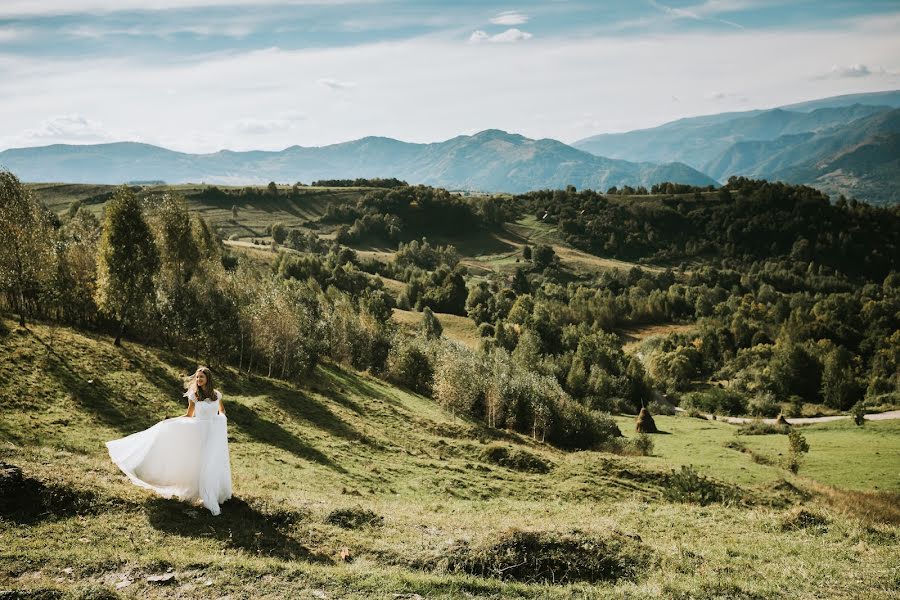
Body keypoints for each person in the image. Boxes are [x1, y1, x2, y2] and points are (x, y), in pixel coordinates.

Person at [106, 366, 232, 515]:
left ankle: (213, 490)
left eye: (201, 377)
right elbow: (189, 415)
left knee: (211, 461)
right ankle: (198, 490)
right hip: (198, 433)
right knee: (198, 460)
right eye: (197, 377)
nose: (198, 380)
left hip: (212, 433)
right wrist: (172, 421)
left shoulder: (216, 395)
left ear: (208, 379)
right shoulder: (194, 395)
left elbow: (221, 410)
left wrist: (221, 419)